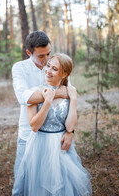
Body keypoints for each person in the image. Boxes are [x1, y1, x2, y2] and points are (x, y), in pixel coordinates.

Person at [12, 53, 92, 196]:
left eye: (54, 69)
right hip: (39, 147)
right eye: (48, 66)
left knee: (63, 187)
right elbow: (34, 126)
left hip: (61, 147)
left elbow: (69, 126)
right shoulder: (34, 93)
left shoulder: (68, 93)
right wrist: (47, 101)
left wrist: (73, 99)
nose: (48, 71)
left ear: (65, 74)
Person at [12, 31, 74, 180]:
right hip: (28, 133)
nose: (46, 60)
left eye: (48, 54)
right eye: (41, 56)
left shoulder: (56, 64)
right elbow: (23, 98)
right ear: (29, 52)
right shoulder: (19, 68)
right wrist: (55, 93)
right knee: (22, 181)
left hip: (55, 137)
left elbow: (70, 96)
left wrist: (71, 132)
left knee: (53, 180)